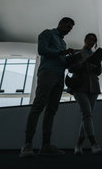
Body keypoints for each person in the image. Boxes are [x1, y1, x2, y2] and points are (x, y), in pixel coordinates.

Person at [19, 17, 75, 157]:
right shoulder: (47, 33)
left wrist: (74, 60)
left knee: (51, 110)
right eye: (67, 26)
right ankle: (27, 145)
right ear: (61, 23)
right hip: (47, 73)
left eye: (70, 28)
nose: (68, 30)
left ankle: (45, 145)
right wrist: (61, 53)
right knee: (38, 106)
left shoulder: (63, 42)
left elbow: (62, 60)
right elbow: (42, 50)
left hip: (59, 76)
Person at [68, 33, 102, 155]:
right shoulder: (76, 53)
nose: (91, 42)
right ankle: (94, 144)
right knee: (87, 114)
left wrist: (98, 66)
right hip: (79, 86)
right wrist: (82, 63)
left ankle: (78, 145)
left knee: (87, 116)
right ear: (85, 40)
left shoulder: (95, 55)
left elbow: (98, 72)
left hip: (93, 86)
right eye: (89, 39)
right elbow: (70, 69)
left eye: (94, 40)